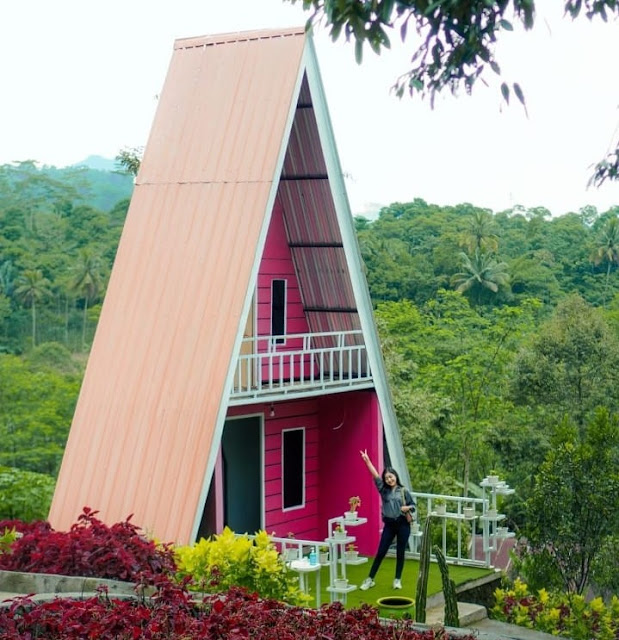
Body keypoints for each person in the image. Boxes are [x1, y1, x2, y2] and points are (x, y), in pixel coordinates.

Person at [359, 448, 415, 590]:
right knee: (381, 551)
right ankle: (370, 579)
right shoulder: (383, 490)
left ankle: (397, 580)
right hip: (389, 524)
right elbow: (375, 475)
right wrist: (367, 461)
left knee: (400, 551)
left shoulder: (403, 491)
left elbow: (413, 506)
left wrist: (406, 508)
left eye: (391, 477)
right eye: (387, 478)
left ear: (395, 476)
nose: (390, 479)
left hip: (402, 524)